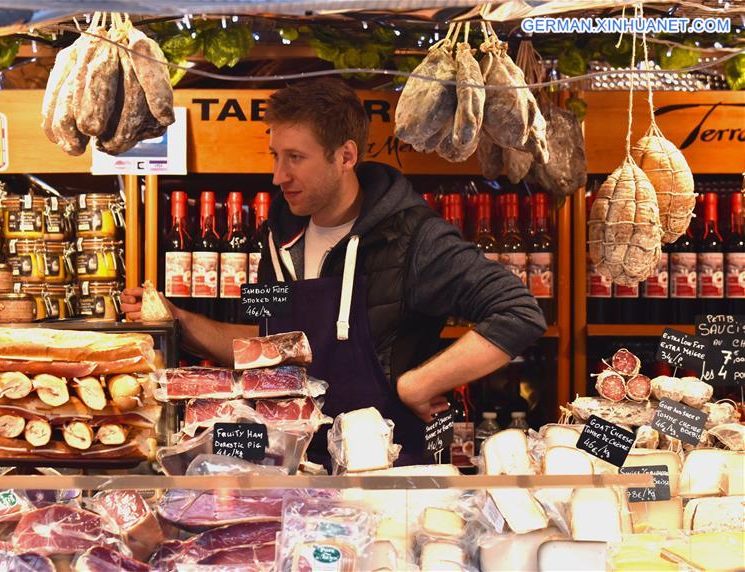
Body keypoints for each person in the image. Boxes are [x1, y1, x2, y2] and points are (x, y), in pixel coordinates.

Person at [122, 78, 547, 464]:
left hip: (388, 468)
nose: (277, 176)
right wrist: (180, 320)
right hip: (295, 462)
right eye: (275, 155)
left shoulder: (414, 237)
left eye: (295, 158)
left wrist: (416, 385)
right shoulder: (278, 237)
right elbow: (270, 345)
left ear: (345, 156)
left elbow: (519, 313)